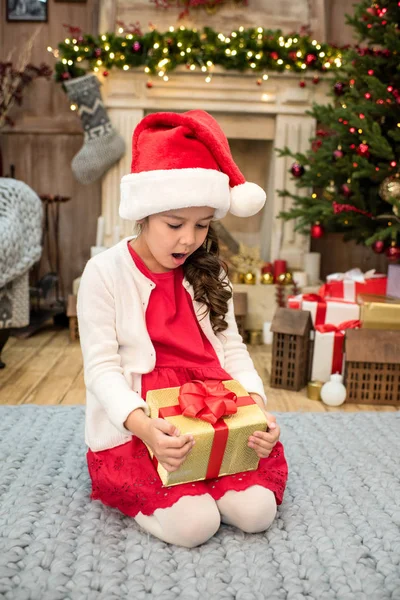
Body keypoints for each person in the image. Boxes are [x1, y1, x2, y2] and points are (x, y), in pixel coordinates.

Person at [77, 110, 288, 548]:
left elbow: (231, 349)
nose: (189, 240)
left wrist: (257, 408)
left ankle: (210, 485)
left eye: (202, 225)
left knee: (258, 513)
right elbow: (101, 370)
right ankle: (178, 497)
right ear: (146, 214)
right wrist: (145, 427)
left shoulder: (210, 271)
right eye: (175, 225)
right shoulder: (104, 273)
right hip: (148, 420)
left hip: (217, 410)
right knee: (195, 526)